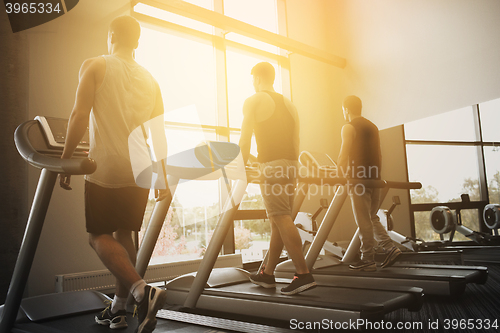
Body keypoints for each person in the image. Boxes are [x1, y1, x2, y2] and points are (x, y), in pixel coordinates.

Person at [59, 16, 169, 333]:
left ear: (110, 36)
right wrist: (162, 175)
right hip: (141, 167)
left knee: (97, 236)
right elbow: (159, 134)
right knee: (124, 234)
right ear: (136, 41)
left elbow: (80, 115)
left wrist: (66, 161)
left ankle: (140, 290)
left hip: (107, 163)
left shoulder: (95, 65)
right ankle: (119, 309)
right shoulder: (151, 80)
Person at [239, 62, 316, 295]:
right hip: (291, 164)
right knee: (277, 222)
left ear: (256, 78)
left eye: (252, 79)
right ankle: (267, 273)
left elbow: (245, 138)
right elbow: (295, 141)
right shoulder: (290, 104)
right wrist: (291, 168)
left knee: (281, 218)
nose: (252, 83)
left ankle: (303, 274)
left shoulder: (253, 100)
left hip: (271, 166)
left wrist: (241, 166)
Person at [337, 95, 401, 271]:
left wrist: (337, 175)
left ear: (347, 109)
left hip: (358, 178)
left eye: (343, 109)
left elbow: (344, 154)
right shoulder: (373, 126)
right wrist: (377, 178)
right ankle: (389, 247)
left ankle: (367, 258)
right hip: (374, 178)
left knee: (363, 220)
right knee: (372, 217)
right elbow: (379, 155)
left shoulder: (348, 127)